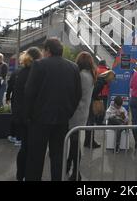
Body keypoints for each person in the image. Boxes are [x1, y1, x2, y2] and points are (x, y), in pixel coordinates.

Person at [24, 38, 82, 181]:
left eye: (44, 50)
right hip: (62, 120)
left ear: (48, 50)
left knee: (35, 158)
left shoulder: (39, 65)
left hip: (39, 120)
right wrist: (68, 112)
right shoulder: (73, 67)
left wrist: (30, 116)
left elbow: (29, 93)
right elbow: (77, 94)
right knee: (58, 157)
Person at [8, 47, 42, 181]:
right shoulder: (36, 73)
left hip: (20, 116)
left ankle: (20, 174)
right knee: (32, 149)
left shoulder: (19, 72)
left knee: (24, 147)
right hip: (32, 117)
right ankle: (29, 175)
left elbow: (16, 96)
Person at [67, 51, 96, 181]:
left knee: (74, 144)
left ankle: (76, 173)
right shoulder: (90, 75)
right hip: (83, 113)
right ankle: (70, 166)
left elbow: (73, 94)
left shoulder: (81, 75)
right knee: (75, 142)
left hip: (75, 113)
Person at [84, 69, 115, 148]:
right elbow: (94, 93)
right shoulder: (101, 83)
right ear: (109, 78)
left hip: (89, 101)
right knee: (91, 122)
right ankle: (91, 142)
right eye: (112, 79)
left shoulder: (99, 79)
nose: (111, 81)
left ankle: (87, 141)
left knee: (89, 122)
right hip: (91, 103)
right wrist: (98, 99)